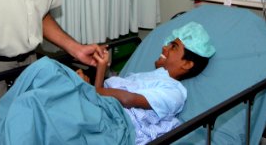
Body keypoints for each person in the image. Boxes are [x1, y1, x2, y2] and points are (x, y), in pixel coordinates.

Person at [78, 21, 216, 145]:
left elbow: (126, 99)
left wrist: (87, 89)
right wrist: (97, 75)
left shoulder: (174, 91)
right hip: (100, 112)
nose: (164, 48)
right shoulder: (144, 77)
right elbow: (103, 95)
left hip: (115, 127)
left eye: (173, 47)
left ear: (186, 64)